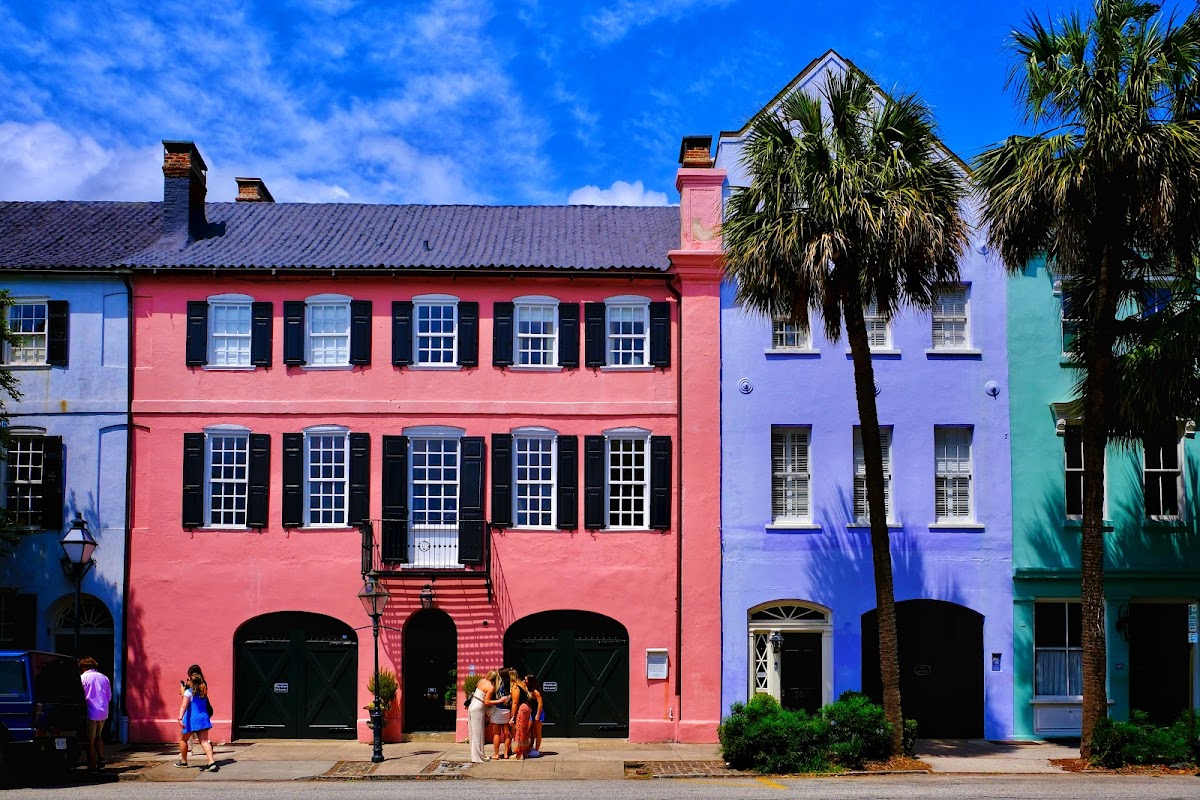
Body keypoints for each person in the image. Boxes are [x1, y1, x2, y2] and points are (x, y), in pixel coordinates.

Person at [176, 665, 219, 772]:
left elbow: (184, 706)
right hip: (203, 718)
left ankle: (183, 761)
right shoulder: (203, 690)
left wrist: (180, 718)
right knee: (204, 741)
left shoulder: (188, 692)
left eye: (188, 679)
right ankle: (211, 761)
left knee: (183, 739)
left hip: (191, 719)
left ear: (191, 681)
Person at [78, 657, 111, 772]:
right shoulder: (104, 678)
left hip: (91, 711)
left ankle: (92, 763)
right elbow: (109, 696)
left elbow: (81, 695)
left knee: (90, 740)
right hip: (103, 711)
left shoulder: (83, 678)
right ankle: (101, 758)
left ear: (84, 667)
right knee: (99, 736)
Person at [467, 671, 495, 763]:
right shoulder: (490, 687)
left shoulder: (481, 681)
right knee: (478, 733)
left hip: (472, 705)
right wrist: (499, 701)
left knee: (473, 733)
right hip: (478, 707)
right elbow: (486, 702)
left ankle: (475, 756)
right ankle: (479, 756)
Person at [488, 667, 512, 759]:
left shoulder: (497, 685)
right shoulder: (510, 685)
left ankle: (496, 754)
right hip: (506, 710)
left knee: (496, 734)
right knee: (506, 733)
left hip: (497, 709)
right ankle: (506, 753)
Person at [508, 670, 532, 760]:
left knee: (519, 730)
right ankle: (525, 751)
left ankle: (519, 754)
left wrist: (512, 716)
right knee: (524, 730)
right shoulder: (521, 683)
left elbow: (515, 703)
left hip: (521, 709)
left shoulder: (515, 686)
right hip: (526, 707)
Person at [524, 674, 543, 758]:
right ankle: (530, 747)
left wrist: (538, 715)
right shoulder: (528, 690)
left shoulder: (535, 692)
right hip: (531, 712)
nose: (525, 681)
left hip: (537, 712)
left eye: (526, 680)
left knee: (537, 732)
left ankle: (536, 749)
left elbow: (540, 703)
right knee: (529, 730)